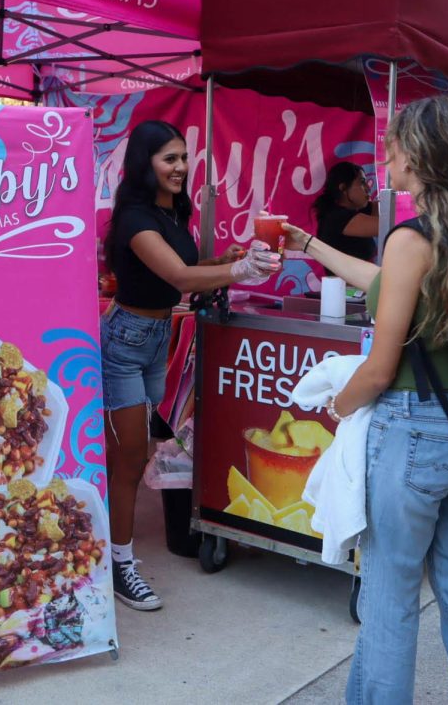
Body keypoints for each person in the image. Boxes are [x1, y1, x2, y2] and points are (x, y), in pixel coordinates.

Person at [284, 95, 448, 704]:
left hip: (415, 433)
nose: (385, 154)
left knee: (389, 602)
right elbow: (388, 286)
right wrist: (309, 245)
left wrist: (337, 405)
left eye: (394, 144)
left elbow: (379, 367)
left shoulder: (408, 237)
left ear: (415, 157)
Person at [101, 120, 281, 611]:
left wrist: (228, 257)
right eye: (169, 159)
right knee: (130, 460)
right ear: (146, 163)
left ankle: (105, 544)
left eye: (183, 157)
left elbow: (192, 269)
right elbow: (180, 276)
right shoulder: (137, 219)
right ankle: (120, 565)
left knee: (139, 451)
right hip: (124, 340)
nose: (180, 167)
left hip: (156, 338)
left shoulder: (172, 213)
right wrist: (241, 270)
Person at [312, 161, 379, 268]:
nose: (368, 187)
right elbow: (388, 224)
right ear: (343, 188)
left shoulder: (356, 210)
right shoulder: (336, 218)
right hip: (344, 284)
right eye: (362, 182)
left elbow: (388, 208)